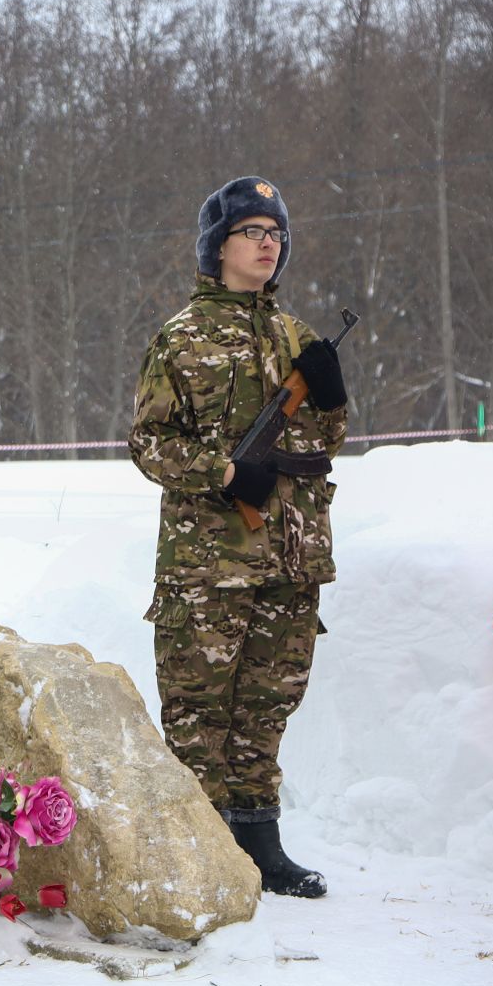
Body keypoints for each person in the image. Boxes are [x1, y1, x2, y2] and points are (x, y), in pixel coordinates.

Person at [128, 177, 348, 899]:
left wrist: (331, 395)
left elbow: (323, 443)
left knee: (265, 709)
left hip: (291, 556)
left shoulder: (297, 338)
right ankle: (197, 855)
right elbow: (149, 443)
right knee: (198, 714)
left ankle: (261, 847)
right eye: (252, 231)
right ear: (218, 247)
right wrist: (222, 472)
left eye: (276, 233)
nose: (267, 243)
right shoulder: (182, 337)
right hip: (208, 564)